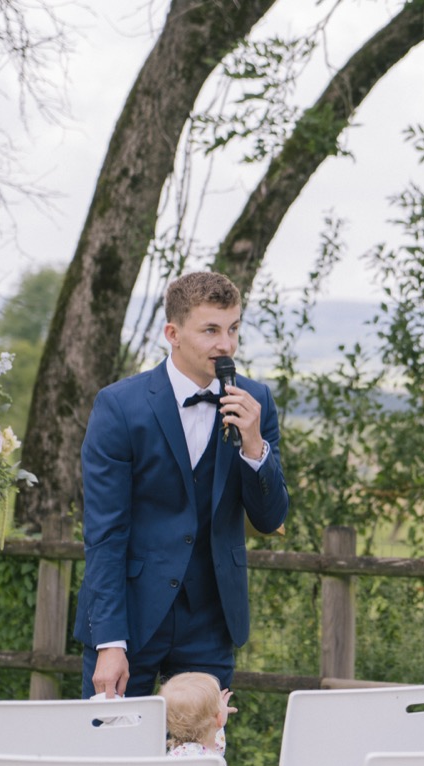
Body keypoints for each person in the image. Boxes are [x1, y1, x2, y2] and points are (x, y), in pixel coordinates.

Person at [74, 271, 289, 699]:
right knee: (112, 740)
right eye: (210, 330)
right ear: (172, 334)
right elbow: (105, 533)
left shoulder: (256, 402)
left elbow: (270, 519)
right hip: (130, 617)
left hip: (211, 621)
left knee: (202, 745)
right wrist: (110, 641)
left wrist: (254, 445)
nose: (226, 345)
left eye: (233, 329)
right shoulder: (119, 406)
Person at [161, 671, 236, 766]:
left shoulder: (179, 753)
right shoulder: (204, 764)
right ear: (219, 718)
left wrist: (216, 713)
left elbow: (217, 745)